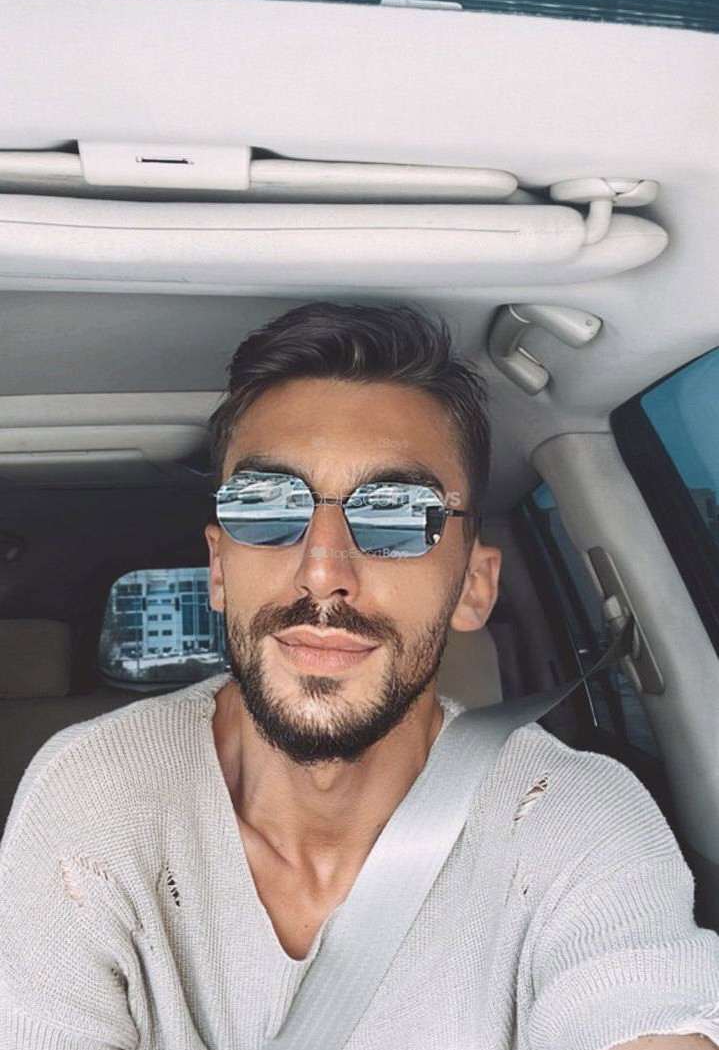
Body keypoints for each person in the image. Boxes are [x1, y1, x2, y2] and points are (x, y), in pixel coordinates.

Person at [0, 302, 718, 1050]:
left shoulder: (573, 818)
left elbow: (637, 1003)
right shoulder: (94, 796)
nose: (322, 572)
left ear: (473, 584)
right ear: (217, 567)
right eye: (265, 504)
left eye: (398, 513)